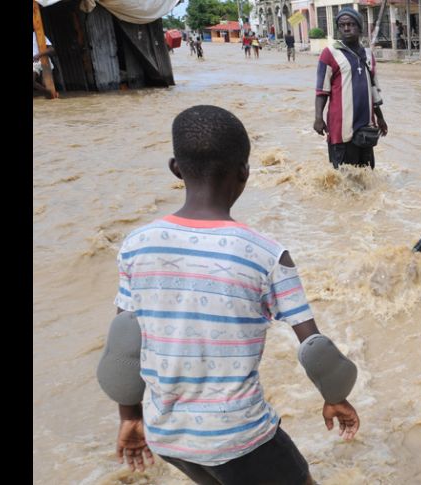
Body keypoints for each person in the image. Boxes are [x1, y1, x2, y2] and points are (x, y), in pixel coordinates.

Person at [105, 105, 361, 483]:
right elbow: (314, 346)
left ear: (176, 168)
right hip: (240, 436)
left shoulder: (136, 245)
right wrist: (335, 396)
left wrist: (129, 417)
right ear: (245, 171)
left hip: (166, 434)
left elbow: (124, 342)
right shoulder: (266, 254)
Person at [314, 7, 388, 169]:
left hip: (366, 128)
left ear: (360, 27)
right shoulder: (329, 54)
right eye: (342, 25)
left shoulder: (368, 55)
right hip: (341, 129)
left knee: (367, 176)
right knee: (344, 180)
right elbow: (322, 91)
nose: (346, 28)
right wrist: (318, 118)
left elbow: (373, 90)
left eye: (351, 24)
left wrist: (380, 118)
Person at [33, 32, 57, 99]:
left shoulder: (37, 34)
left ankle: (51, 98)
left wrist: (38, 55)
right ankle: (48, 93)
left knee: (46, 84)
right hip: (33, 63)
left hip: (44, 59)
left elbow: (52, 49)